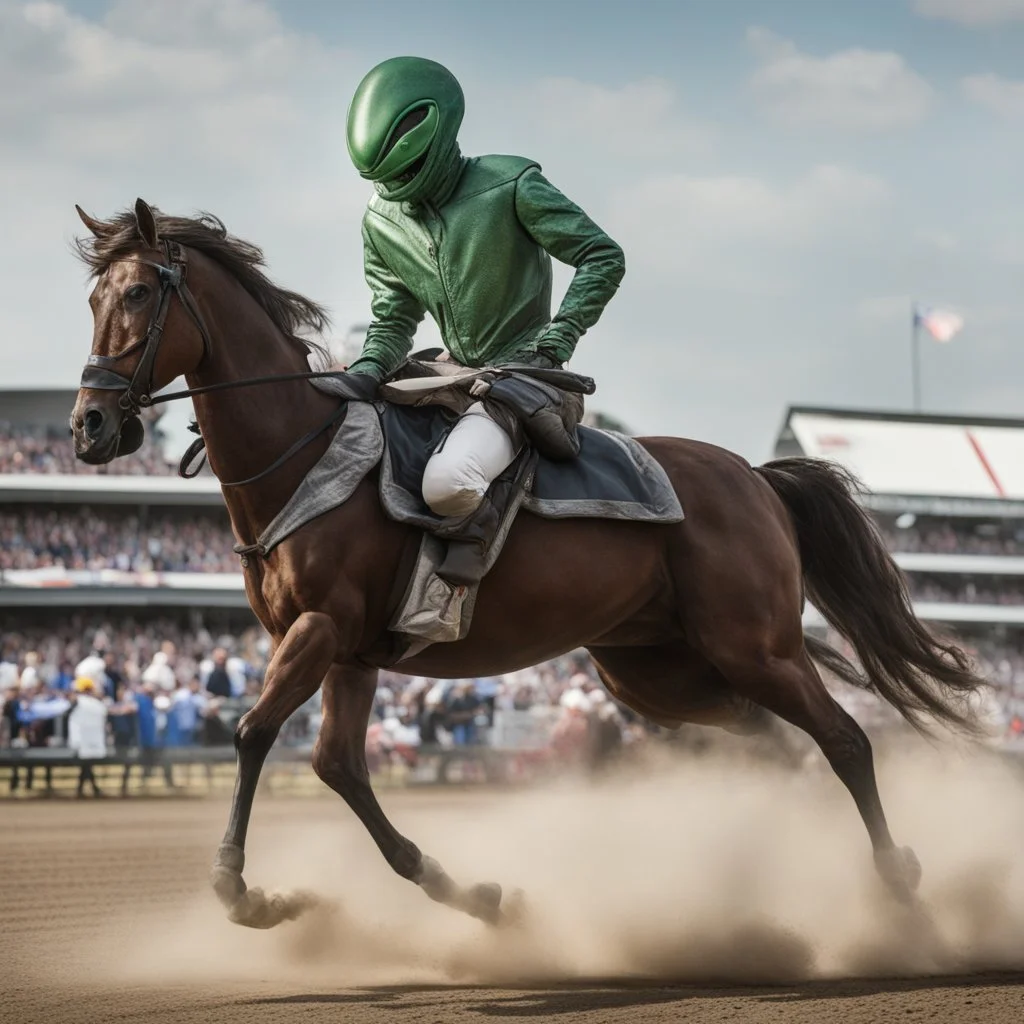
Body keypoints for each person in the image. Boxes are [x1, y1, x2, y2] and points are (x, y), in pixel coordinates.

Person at [344, 55, 625, 583]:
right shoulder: (380, 221)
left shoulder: (510, 182)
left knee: (447, 484)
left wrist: (554, 341)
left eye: (404, 172)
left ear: (435, 136)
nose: (395, 188)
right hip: (453, 375)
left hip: (527, 380)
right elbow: (393, 317)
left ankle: (480, 527)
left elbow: (601, 255)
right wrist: (363, 370)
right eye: (384, 179)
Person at [67, 677, 108, 798]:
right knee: (87, 765)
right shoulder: (97, 704)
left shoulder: (80, 702)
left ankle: (85, 789)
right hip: (92, 741)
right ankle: (92, 789)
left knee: (86, 765)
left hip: (82, 741)